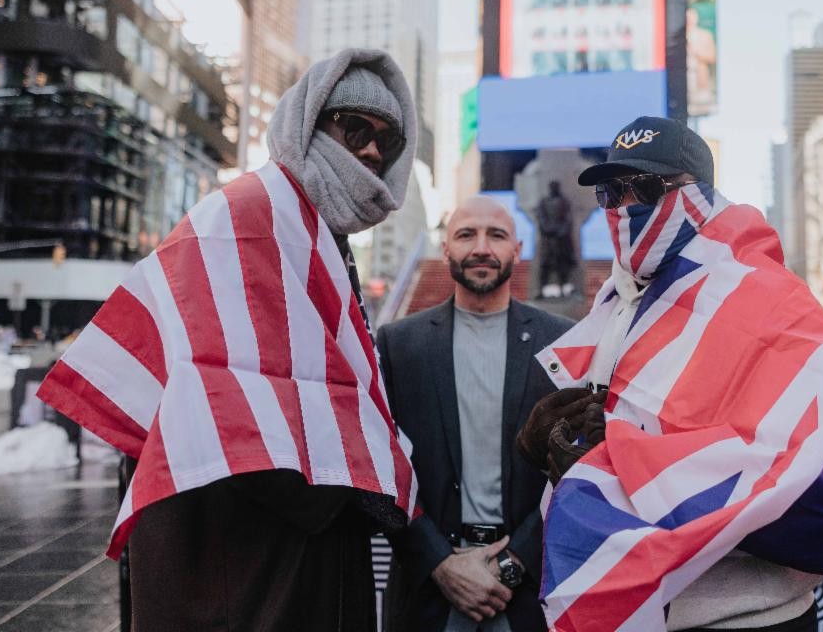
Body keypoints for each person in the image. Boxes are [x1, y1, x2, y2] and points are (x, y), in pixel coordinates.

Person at [38, 49, 420, 632]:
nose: (372, 150)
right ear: (309, 121)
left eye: (387, 140)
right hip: (236, 557)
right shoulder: (248, 214)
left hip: (295, 544)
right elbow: (220, 392)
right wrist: (348, 491)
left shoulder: (311, 229)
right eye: (355, 128)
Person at [519, 117, 823, 632]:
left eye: (642, 187)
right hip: (637, 603)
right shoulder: (620, 298)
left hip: (743, 616)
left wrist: (617, 460)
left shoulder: (771, 299)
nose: (624, 206)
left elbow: (784, 461)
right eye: (609, 192)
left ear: (698, 192)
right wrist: (552, 450)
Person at [378, 196, 578, 632]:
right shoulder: (398, 344)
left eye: (497, 235)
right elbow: (382, 464)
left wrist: (513, 562)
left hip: (529, 591)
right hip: (428, 590)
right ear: (445, 249)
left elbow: (576, 470)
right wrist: (440, 563)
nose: (482, 247)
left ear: (517, 250)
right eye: (466, 234)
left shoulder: (562, 342)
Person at [535, 181, 575, 298]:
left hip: (562, 241)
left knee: (562, 265)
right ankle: (541, 290)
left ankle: (564, 289)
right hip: (547, 241)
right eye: (552, 187)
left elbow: (568, 219)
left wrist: (560, 231)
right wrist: (548, 229)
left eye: (556, 187)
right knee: (545, 264)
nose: (554, 189)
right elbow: (541, 217)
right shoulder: (544, 202)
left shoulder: (565, 202)